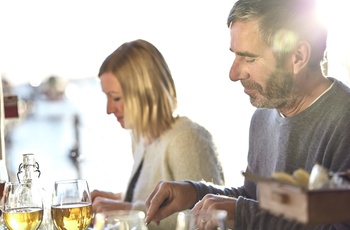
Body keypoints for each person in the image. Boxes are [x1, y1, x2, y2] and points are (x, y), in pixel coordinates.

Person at [145, 0, 350, 229]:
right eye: (235, 55)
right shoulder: (263, 117)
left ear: (298, 56)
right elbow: (256, 199)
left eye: (249, 58)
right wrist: (196, 192)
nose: (233, 74)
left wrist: (243, 215)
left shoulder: (345, 122)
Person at [91, 39, 225, 229]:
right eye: (107, 97)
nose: (109, 109)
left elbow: (201, 218)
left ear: (145, 93)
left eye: (116, 98)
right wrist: (115, 200)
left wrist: (127, 211)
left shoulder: (187, 138)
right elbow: (150, 199)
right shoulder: (141, 137)